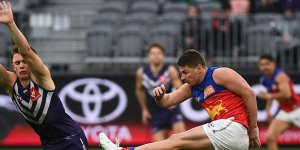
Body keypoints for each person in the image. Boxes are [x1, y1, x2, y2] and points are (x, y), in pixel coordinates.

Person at [99, 49, 261, 150]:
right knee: (179, 145)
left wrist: (253, 128)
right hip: (232, 140)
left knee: (176, 140)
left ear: (199, 68)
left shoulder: (219, 74)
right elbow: (167, 102)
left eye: (185, 72)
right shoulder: (191, 87)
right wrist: (159, 97)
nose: (182, 77)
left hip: (232, 127)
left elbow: (249, 94)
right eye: (181, 73)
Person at [0, 1, 88, 150]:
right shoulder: (11, 84)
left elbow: (27, 51)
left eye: (24, 62)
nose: (21, 65)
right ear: (13, 66)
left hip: (70, 139)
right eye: (17, 63)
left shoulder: (41, 77)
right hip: (49, 145)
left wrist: (10, 24)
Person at [135, 43, 185, 141]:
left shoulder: (170, 70)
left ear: (163, 56)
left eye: (159, 53)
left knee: (181, 139)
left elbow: (180, 88)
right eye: (153, 53)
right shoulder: (141, 73)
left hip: (171, 109)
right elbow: (139, 90)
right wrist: (144, 110)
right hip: (156, 112)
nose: (156, 56)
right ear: (149, 56)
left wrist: (175, 101)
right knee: (160, 145)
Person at [258, 54, 300, 150]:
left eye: (267, 64)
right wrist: (268, 111)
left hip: (297, 109)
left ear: (273, 64)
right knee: (270, 137)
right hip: (285, 111)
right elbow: (270, 95)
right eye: (262, 64)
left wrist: (269, 96)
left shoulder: (280, 76)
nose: (264, 67)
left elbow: (287, 94)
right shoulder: (264, 79)